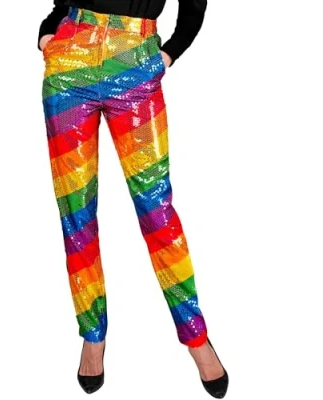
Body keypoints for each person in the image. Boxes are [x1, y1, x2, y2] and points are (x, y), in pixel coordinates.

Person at [37, 1, 229, 397]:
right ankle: (92, 335)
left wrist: (170, 52)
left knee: (156, 210)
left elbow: (194, 5)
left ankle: (196, 337)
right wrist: (49, 32)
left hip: (135, 59)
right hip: (71, 59)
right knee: (76, 211)